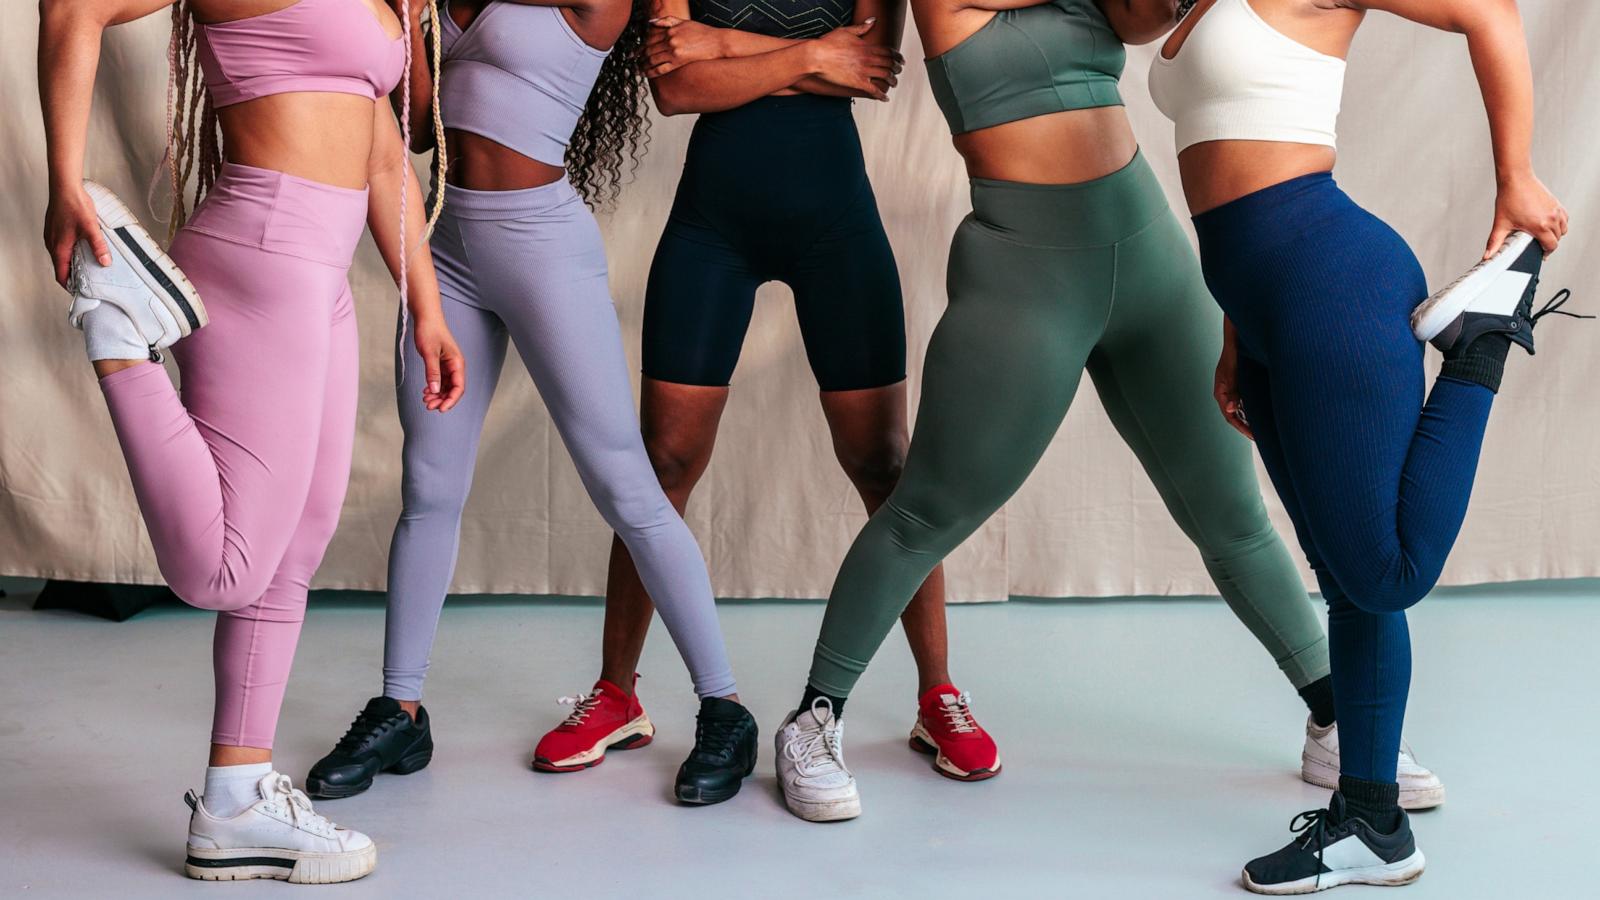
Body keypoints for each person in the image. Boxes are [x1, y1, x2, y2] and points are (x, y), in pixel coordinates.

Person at [1149, 0, 1573, 892]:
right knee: (1347, 579)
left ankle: (1486, 339)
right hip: (1268, 307)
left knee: (1386, 573)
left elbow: (1489, 12)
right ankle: (1374, 825)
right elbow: (1230, 160)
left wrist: (1518, 176)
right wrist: (1238, 331)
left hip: (1332, 283)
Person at [38, 0, 466, 882]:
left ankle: (234, 802)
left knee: (290, 554)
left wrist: (424, 302)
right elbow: (74, 6)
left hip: (323, 274)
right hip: (265, 256)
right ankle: (119, 330)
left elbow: (384, 147)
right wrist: (64, 180)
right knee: (223, 569)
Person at [535, 0, 1007, 785]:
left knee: (886, 465)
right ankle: (617, 693)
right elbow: (676, 88)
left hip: (835, 222)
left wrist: (723, 43)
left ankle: (938, 695)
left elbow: (872, 68)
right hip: (712, 225)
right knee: (663, 464)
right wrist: (809, 57)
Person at [304, 0, 761, 806]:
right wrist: (410, 23)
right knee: (430, 487)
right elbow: (412, 132)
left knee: (625, 485)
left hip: (542, 249)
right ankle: (400, 707)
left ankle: (724, 707)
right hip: (444, 250)